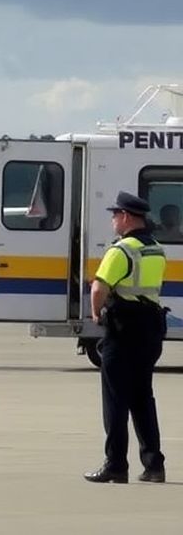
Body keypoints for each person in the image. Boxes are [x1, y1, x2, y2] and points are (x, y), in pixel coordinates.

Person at [84, 191, 168, 484]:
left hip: (124, 330)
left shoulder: (122, 251)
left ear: (127, 217)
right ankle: (154, 464)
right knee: (143, 397)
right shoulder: (155, 249)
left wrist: (96, 314)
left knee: (116, 400)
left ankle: (116, 464)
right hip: (151, 329)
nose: (112, 220)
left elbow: (99, 287)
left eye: (115, 215)